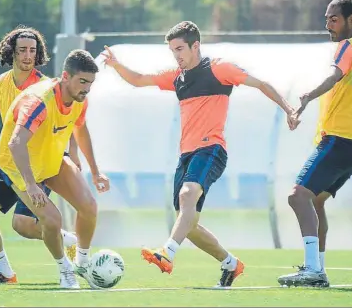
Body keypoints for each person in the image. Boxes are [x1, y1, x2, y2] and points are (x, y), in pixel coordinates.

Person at [101, 21, 298, 287]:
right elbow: (138, 80)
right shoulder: (176, 76)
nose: (177, 55)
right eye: (173, 50)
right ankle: (231, 264)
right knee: (189, 223)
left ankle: (167, 253)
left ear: (196, 45)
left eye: (180, 48)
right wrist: (116, 65)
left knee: (187, 196)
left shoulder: (219, 69)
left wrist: (288, 109)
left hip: (212, 149)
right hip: (186, 156)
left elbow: (261, 84)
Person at [277, 0, 352, 288]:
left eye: (333, 19)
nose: (328, 25)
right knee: (316, 201)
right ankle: (318, 269)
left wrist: (308, 96)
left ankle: (312, 270)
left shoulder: (347, 47)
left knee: (298, 195)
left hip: (341, 139)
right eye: (326, 19)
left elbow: (334, 76)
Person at [0, 26, 80, 284]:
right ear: (11, 52)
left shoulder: (48, 87)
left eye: (33, 51)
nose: (28, 55)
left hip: (37, 166)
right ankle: (4, 271)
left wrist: (72, 158)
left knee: (23, 225)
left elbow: (69, 124)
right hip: (8, 163)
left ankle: (67, 260)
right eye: (22, 50)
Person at [0, 49, 110, 289]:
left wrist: (95, 170)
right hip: (16, 163)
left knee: (89, 206)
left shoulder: (79, 99)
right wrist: (31, 184)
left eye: (90, 83)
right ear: (65, 77)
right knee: (51, 219)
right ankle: (65, 269)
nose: (87, 88)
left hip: (51, 158)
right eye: (82, 82)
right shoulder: (38, 102)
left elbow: (80, 129)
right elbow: (15, 144)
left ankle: (82, 263)